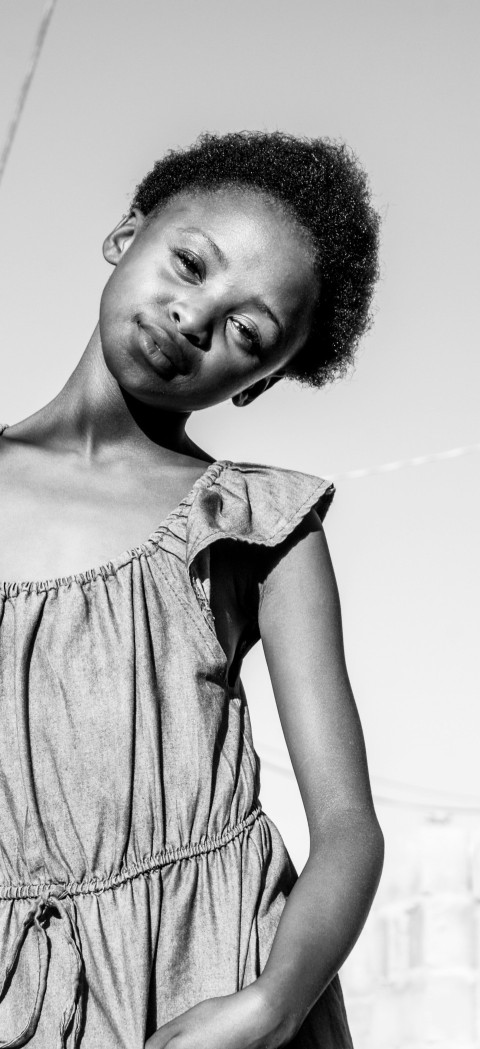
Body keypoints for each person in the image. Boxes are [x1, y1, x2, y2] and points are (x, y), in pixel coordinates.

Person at [0, 130, 384, 1048]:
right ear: (124, 234)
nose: (195, 317)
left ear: (259, 383)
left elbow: (347, 825)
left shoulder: (256, 519)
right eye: (189, 263)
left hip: (218, 977)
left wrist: (268, 1006)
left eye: (248, 332)